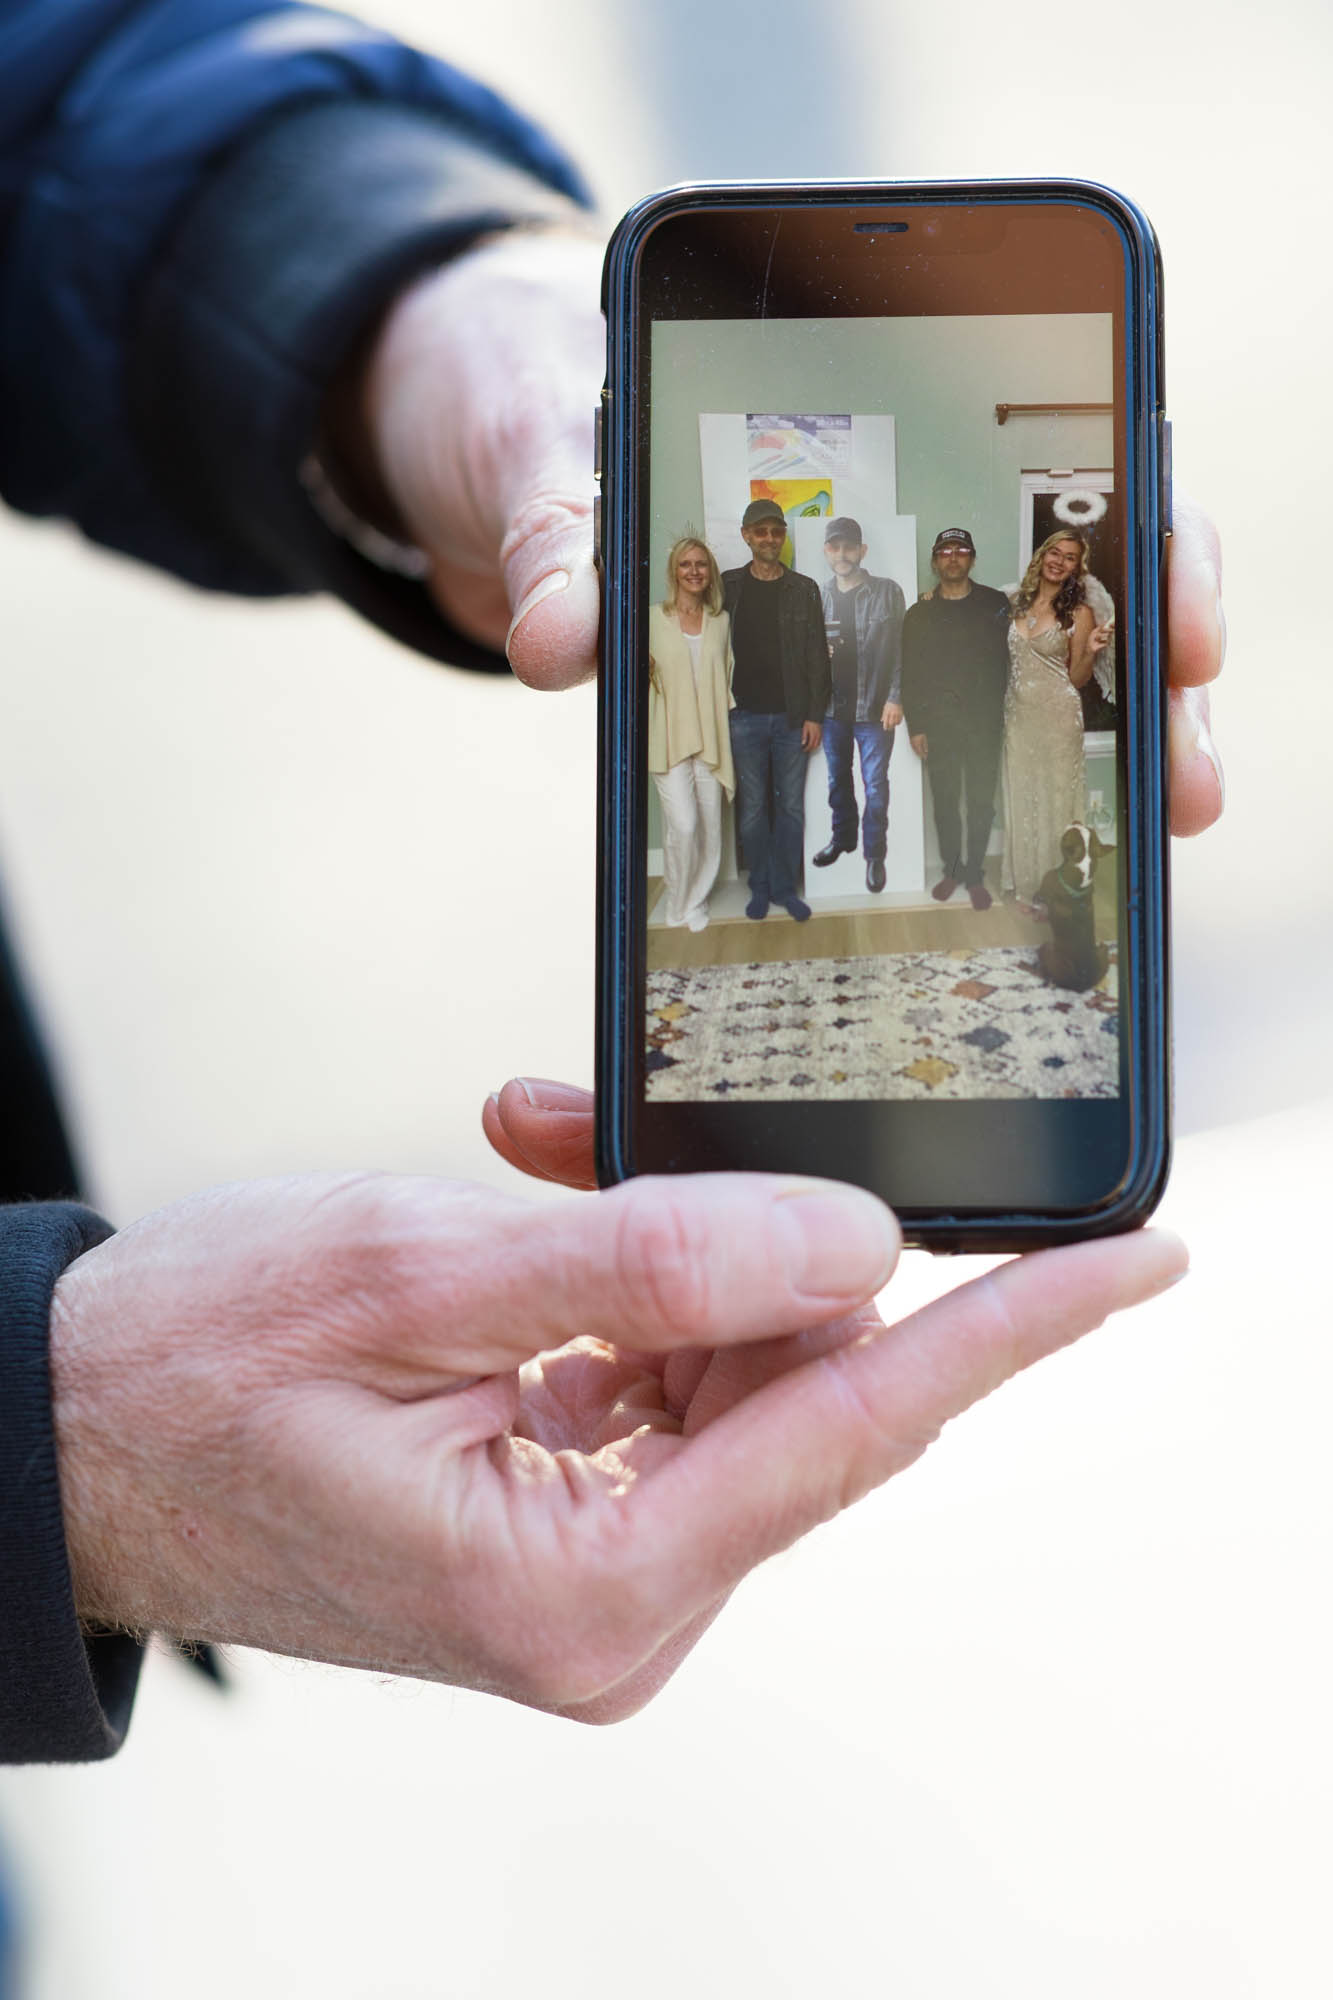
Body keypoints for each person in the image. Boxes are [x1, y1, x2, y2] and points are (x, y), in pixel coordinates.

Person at [0, 0, 1226, 1770]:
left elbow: (49, 79)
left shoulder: (952, 598)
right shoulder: (787, 591)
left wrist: (397, 300)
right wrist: (46, 1443)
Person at [721, 498, 830, 922]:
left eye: (776, 531)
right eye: (761, 531)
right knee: (752, 809)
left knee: (790, 808)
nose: (770, 538)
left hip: (792, 718)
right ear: (746, 536)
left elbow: (817, 656)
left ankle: (785, 888)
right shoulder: (728, 586)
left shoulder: (804, 589)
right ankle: (760, 886)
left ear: (783, 536)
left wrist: (815, 714)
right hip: (742, 717)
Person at [900, 528, 1012, 911]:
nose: (953, 557)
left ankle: (975, 874)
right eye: (945, 551)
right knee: (945, 801)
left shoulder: (995, 604)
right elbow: (910, 673)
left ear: (972, 559)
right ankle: (951, 871)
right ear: (935, 561)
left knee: (981, 802)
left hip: (985, 722)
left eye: (961, 550)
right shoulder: (919, 613)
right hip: (940, 724)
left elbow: (1014, 656)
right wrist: (916, 726)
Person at [1003, 531, 1112, 908]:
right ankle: (1025, 883)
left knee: (1057, 798)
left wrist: (1091, 650)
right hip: (1017, 717)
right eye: (1055, 552)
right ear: (1042, 555)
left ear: (1076, 567)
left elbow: (1077, 678)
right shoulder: (1016, 602)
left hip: (1059, 717)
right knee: (1022, 794)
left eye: (1070, 557)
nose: (1059, 561)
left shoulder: (1080, 613)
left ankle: (1057, 890)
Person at [813, 517, 905, 894]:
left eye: (850, 547)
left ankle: (874, 855)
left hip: (874, 710)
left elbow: (903, 649)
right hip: (832, 711)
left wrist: (896, 697)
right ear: (826, 551)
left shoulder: (887, 592)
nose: (842, 554)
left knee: (875, 787)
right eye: (835, 547)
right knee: (838, 781)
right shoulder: (817, 595)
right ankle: (843, 839)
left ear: (862, 550)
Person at [647, 537, 735, 930]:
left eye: (701, 564)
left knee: (711, 829)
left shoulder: (721, 621)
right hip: (668, 737)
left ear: (710, 573)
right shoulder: (652, 619)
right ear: (674, 572)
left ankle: (695, 901)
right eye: (686, 564)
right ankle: (676, 902)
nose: (694, 571)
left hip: (711, 736)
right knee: (683, 826)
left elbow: (725, 676)